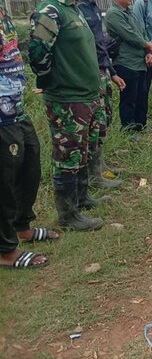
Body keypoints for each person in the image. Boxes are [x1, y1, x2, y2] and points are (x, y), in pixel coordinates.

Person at [30, 0, 105, 231]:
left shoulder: (75, 10)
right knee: (68, 153)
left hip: (87, 95)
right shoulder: (51, 10)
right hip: (67, 98)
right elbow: (37, 50)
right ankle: (68, 214)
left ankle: (82, 198)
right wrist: (52, 80)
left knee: (83, 149)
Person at [0, 0, 56, 269]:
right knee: (5, 179)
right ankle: (6, 250)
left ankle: (23, 226)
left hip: (16, 108)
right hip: (1, 112)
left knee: (30, 163)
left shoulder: (4, 12)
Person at [78, 0, 126, 190]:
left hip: (103, 70)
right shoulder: (78, 9)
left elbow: (101, 46)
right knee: (93, 123)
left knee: (103, 119)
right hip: (90, 73)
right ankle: (94, 176)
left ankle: (100, 167)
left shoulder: (93, 7)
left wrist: (112, 72)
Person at [106, 0, 152, 132]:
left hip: (140, 62)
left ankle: (141, 124)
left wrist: (148, 52)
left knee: (142, 95)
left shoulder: (130, 13)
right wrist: (146, 45)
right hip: (126, 61)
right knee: (129, 98)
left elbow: (142, 31)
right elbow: (129, 35)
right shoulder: (113, 14)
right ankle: (129, 128)